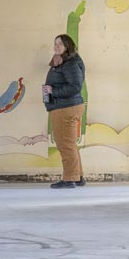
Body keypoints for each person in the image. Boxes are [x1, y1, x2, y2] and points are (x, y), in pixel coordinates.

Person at [42, 34, 86, 189]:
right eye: (55, 43)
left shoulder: (70, 63)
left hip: (65, 108)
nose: (56, 46)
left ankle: (69, 179)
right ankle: (77, 176)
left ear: (68, 45)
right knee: (70, 144)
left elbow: (75, 86)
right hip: (65, 106)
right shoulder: (63, 61)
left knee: (65, 145)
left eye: (60, 43)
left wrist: (54, 90)